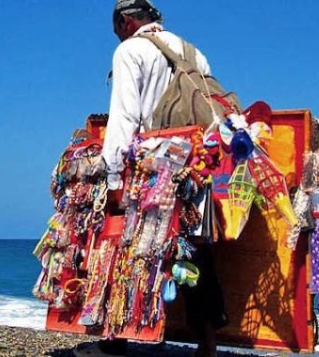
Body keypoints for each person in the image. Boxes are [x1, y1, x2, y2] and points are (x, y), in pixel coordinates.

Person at [74, 1, 227, 356]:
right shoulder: (193, 53)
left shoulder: (130, 50)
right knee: (193, 253)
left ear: (125, 22)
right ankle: (207, 343)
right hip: (195, 165)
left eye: (115, 29)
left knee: (127, 251)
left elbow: (124, 116)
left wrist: (113, 178)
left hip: (151, 167)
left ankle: (116, 343)